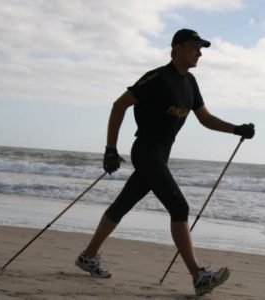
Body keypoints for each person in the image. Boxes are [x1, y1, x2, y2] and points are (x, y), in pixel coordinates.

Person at [75, 29, 255, 296]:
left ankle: (88, 256)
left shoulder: (190, 83)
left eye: (201, 48)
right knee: (179, 206)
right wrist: (110, 149)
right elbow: (119, 105)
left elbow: (205, 119)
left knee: (124, 203)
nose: (200, 53)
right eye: (195, 47)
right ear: (178, 48)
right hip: (146, 151)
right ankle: (198, 276)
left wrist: (236, 129)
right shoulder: (157, 78)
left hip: (162, 154)